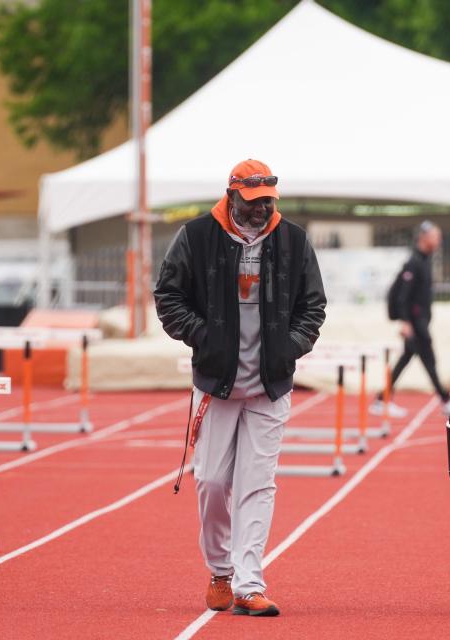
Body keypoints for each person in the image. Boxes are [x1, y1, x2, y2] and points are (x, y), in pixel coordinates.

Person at [154, 159, 326, 618]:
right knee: (210, 481)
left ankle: (250, 583)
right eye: (252, 202)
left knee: (258, 483)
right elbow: (167, 297)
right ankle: (219, 570)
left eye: (267, 201)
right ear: (231, 196)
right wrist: (203, 337)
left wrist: (289, 349)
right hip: (216, 380)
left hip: (271, 382)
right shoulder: (195, 236)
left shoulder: (292, 240)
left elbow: (314, 305)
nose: (260, 209)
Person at [370, 221, 450, 417]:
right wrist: (405, 322)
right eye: (435, 236)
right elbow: (402, 296)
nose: (439, 240)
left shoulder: (424, 261)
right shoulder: (414, 262)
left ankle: (382, 399)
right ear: (424, 238)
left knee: (411, 359)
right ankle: (445, 400)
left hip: (420, 321)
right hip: (415, 322)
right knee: (429, 361)